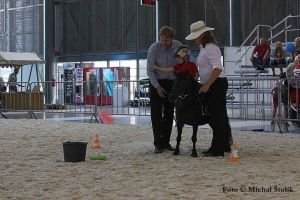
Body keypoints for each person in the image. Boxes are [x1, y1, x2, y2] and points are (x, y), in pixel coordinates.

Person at [185, 20, 233, 157]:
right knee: (217, 116)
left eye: (196, 35)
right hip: (214, 83)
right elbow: (207, 67)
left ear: (202, 35)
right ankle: (221, 145)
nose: (195, 38)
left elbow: (218, 68)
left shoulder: (210, 47)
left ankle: (218, 149)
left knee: (216, 117)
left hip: (216, 84)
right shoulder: (205, 47)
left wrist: (207, 85)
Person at [147, 26, 182, 154]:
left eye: (166, 41)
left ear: (172, 39)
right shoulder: (153, 48)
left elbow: (183, 64)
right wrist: (157, 87)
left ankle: (166, 142)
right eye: (161, 40)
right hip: (156, 81)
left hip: (172, 83)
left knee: (169, 113)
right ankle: (158, 143)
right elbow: (150, 70)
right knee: (156, 114)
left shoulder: (178, 46)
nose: (163, 43)